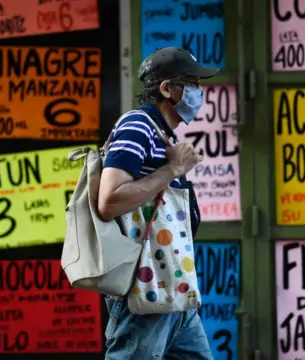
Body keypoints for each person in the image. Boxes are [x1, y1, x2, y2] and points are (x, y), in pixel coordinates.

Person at [97, 47, 219, 359]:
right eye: (191, 84)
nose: (198, 92)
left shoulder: (163, 135)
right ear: (166, 89)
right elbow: (109, 201)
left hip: (173, 289)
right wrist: (172, 170)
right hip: (144, 290)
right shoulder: (137, 125)